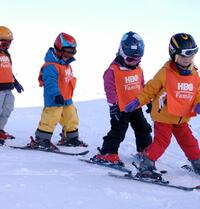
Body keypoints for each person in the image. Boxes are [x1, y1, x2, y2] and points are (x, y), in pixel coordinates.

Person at [125, 33, 200, 177]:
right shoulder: (165, 72)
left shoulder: (194, 73)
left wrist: (198, 103)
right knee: (162, 142)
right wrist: (139, 101)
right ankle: (146, 163)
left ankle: (197, 162)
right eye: (183, 57)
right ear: (173, 54)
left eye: (190, 56)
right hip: (164, 117)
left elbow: (198, 91)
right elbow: (150, 89)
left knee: (190, 142)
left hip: (181, 118)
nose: (187, 60)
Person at [92, 31, 152, 165]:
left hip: (136, 106)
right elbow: (110, 90)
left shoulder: (138, 69)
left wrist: (148, 100)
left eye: (138, 59)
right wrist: (113, 106)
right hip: (121, 108)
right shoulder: (112, 71)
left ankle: (145, 150)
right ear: (122, 52)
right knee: (118, 131)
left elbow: (141, 85)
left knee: (143, 129)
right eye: (131, 59)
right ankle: (108, 153)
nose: (134, 63)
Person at [27, 32, 87, 150]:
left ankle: (71, 138)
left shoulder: (66, 65)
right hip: (55, 98)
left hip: (66, 98)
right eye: (67, 52)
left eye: (72, 52)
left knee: (72, 117)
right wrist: (56, 94)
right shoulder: (51, 66)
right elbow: (50, 83)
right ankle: (41, 139)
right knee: (51, 117)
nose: (69, 55)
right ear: (58, 49)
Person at [0, 26, 24, 144]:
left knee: (6, 110)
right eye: (3, 44)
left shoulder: (6, 54)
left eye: (8, 44)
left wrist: (15, 82)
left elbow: (7, 70)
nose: (6, 47)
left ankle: (0, 130)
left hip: (8, 88)